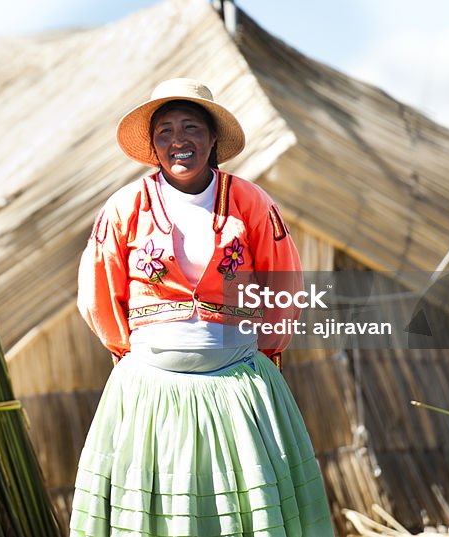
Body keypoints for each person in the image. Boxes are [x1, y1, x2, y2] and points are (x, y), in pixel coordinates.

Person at [70, 78, 334, 537]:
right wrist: (131, 356)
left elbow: (282, 283)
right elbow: (98, 290)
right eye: (165, 131)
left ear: (213, 139)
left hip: (239, 391)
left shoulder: (251, 203)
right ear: (153, 146)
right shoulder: (125, 208)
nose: (178, 141)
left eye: (191, 127)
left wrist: (264, 358)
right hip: (151, 395)